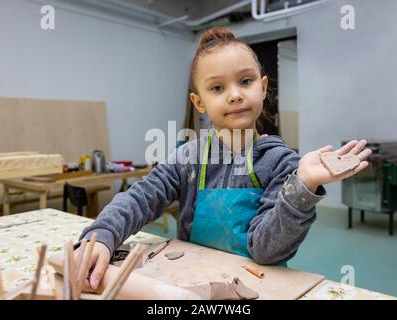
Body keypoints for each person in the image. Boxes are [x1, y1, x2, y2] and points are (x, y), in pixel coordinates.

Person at [77, 27, 371, 290]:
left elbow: (266, 251)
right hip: (191, 282)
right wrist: (102, 235)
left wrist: (303, 186)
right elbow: (141, 197)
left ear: (263, 87)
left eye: (245, 81)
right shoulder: (188, 157)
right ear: (199, 102)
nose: (234, 95)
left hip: (259, 286)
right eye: (218, 87)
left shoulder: (281, 163)